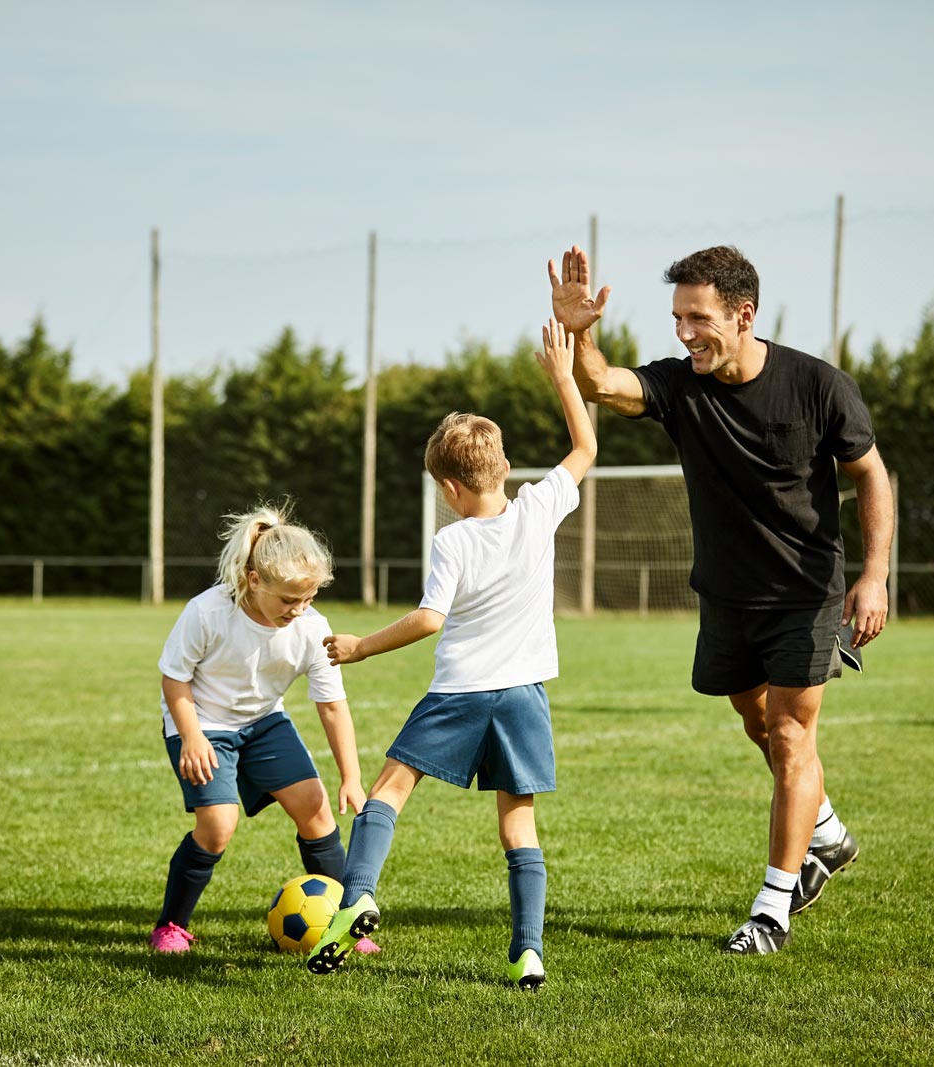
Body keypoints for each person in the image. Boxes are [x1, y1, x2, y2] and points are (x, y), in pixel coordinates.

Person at [548, 244, 893, 955]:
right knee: (756, 717)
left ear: (743, 314)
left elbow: (872, 475)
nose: (683, 333)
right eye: (677, 318)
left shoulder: (820, 385)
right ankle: (825, 832)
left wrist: (874, 574)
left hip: (806, 591)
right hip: (727, 596)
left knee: (794, 735)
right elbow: (604, 384)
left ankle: (772, 909)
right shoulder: (682, 386)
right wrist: (580, 330)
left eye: (697, 318)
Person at [307, 318, 596, 990]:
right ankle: (529, 952)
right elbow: (585, 443)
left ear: (449, 488)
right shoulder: (538, 508)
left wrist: (360, 647)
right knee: (517, 822)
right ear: (502, 468)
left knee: (388, 788)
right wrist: (562, 373)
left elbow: (430, 619)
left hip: (461, 690)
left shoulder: (452, 541)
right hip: (524, 693)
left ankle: (358, 898)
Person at [150, 502, 377, 956]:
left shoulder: (313, 628)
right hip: (202, 722)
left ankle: (344, 924)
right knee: (217, 826)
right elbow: (174, 678)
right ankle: (170, 927)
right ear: (254, 580)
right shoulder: (209, 611)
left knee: (316, 811)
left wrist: (351, 776)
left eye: (308, 598)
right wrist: (191, 737)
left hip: (264, 723)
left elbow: (332, 707)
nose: (299, 610)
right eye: (289, 600)